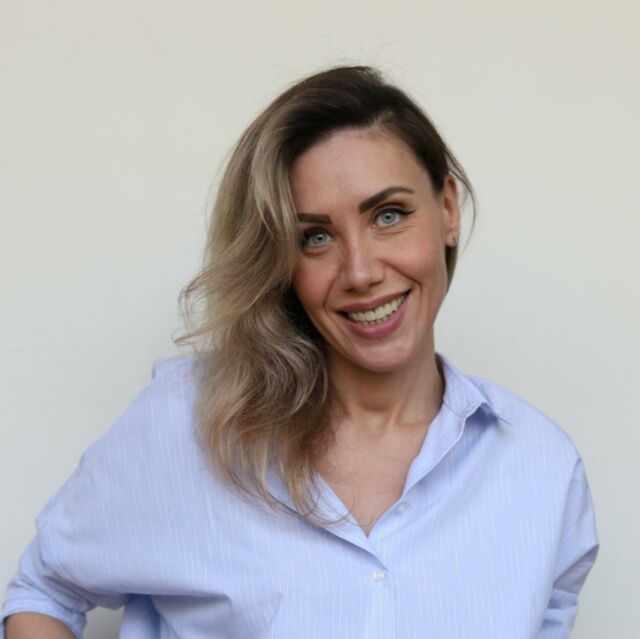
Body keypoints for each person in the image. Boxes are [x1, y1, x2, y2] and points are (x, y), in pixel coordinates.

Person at [2, 66, 599, 639]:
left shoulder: (541, 469)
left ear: (447, 209)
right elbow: (42, 593)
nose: (360, 272)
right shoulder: (185, 422)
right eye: (315, 237)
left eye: (388, 215)